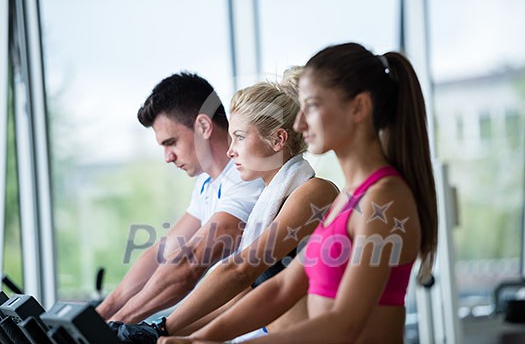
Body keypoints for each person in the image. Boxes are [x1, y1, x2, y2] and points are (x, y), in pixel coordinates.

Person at [160, 42, 438, 344]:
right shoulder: (347, 198)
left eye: (313, 106)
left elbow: (343, 324)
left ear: (358, 108)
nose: (299, 122)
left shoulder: (384, 198)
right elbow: (280, 290)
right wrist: (197, 338)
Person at [112, 67, 340, 343]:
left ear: (278, 139)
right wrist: (161, 332)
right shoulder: (271, 202)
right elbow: (242, 297)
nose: (231, 150)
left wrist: (163, 328)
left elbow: (240, 271)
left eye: (240, 137)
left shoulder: (313, 192)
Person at [96, 72, 265, 325]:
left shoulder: (247, 178)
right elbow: (162, 253)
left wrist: (119, 323)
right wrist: (101, 315)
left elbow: (191, 263)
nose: (168, 157)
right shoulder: (206, 183)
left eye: (171, 143)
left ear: (204, 127)